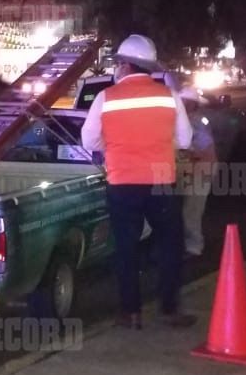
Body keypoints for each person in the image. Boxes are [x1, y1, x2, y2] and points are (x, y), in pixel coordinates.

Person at [81, 34, 195, 329]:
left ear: (126, 65)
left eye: (119, 63)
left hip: (122, 183)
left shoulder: (106, 98)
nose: (117, 68)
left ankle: (130, 312)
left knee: (125, 247)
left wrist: (115, 144)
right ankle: (169, 309)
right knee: (170, 244)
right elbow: (185, 139)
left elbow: (88, 140)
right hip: (160, 182)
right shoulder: (169, 96)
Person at [178, 86, 217, 256]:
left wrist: (186, 152)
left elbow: (202, 151)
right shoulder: (185, 121)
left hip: (201, 169)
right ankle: (186, 244)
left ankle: (194, 247)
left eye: (187, 103)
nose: (183, 105)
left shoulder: (196, 122)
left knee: (192, 210)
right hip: (192, 170)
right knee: (186, 208)